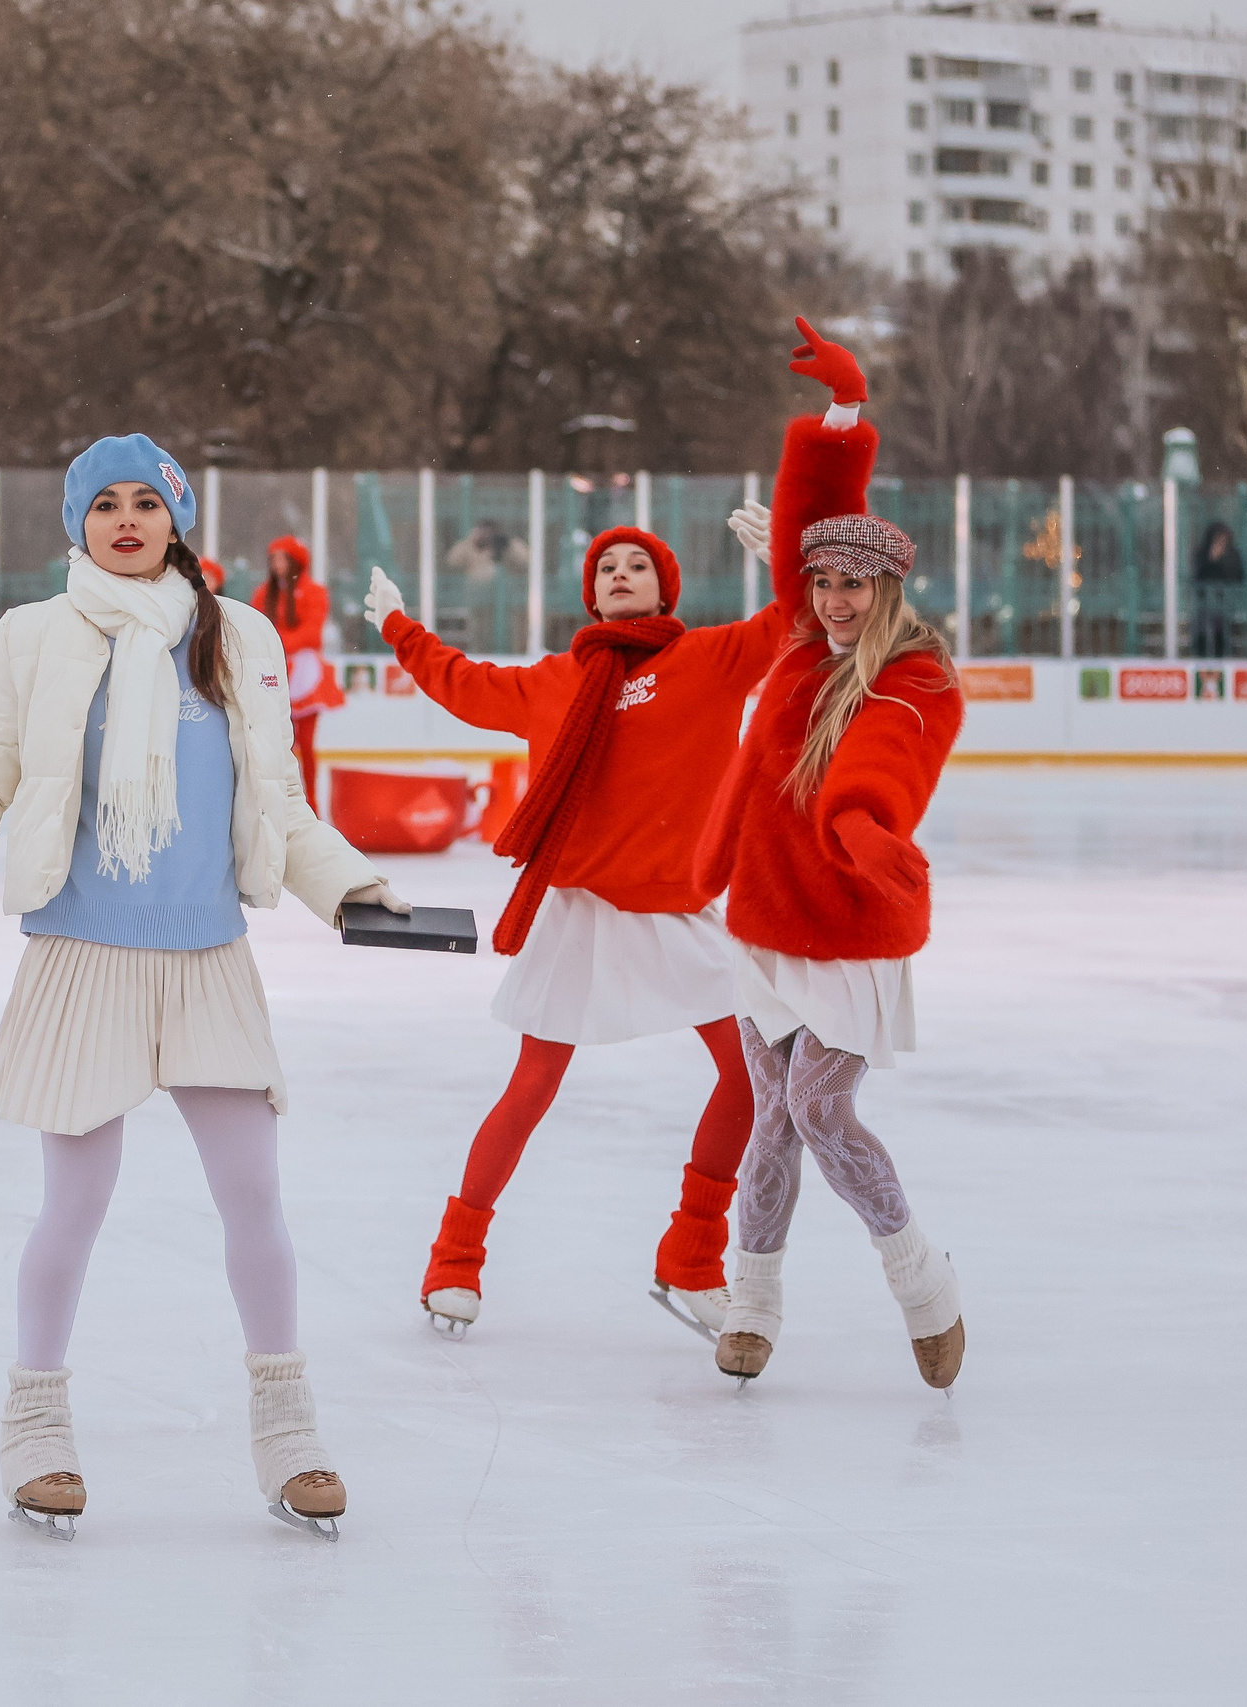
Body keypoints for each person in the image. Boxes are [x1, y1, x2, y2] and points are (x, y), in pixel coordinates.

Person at [0, 433, 408, 1540]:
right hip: (84, 960)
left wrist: (351, 894)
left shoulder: (233, 635)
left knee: (253, 1197)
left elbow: (280, 810)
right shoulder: (38, 637)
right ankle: (36, 1422)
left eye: (145, 501)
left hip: (206, 960)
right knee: (75, 1206)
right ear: (76, 523)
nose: (125, 519)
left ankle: (287, 1426)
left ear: (176, 517)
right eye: (102, 503)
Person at [371, 322, 860, 1343]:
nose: (619, 575)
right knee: (533, 1084)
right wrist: (398, 628)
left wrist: (789, 557)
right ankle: (453, 1259)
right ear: (588, 594)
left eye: (636, 566)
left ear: (665, 588)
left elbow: (802, 625)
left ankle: (690, 1256)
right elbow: (464, 686)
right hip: (583, 909)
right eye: (605, 570)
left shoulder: (710, 660)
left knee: (748, 1074)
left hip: (679, 910)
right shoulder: (559, 684)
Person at [693, 355, 967, 1392]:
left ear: (887, 585)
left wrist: (863, 820)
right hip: (765, 918)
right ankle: (751, 1302)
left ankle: (921, 1284)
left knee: (819, 1110)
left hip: (847, 922)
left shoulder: (915, 675)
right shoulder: (800, 648)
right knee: (771, 1120)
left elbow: (884, 761)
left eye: (852, 581)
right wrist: (840, 415)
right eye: (821, 579)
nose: (834, 597)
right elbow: (819, 505)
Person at [249, 535, 345, 814]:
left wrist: (279, 641)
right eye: (274, 558)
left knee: (306, 744)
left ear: (296, 562)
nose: (278, 564)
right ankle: (283, 803)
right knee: (279, 741)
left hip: (304, 675)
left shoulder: (314, 592)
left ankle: (312, 803)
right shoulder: (263, 593)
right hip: (273, 671)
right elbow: (256, 625)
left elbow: (313, 634)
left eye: (283, 558)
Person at [1189, 520, 1245, 659]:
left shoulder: (1233, 555)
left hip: (1225, 604)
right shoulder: (1201, 553)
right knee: (1203, 634)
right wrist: (1211, 560)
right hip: (1205, 604)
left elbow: (1238, 575)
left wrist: (1222, 561)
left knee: (1223, 636)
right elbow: (1198, 575)